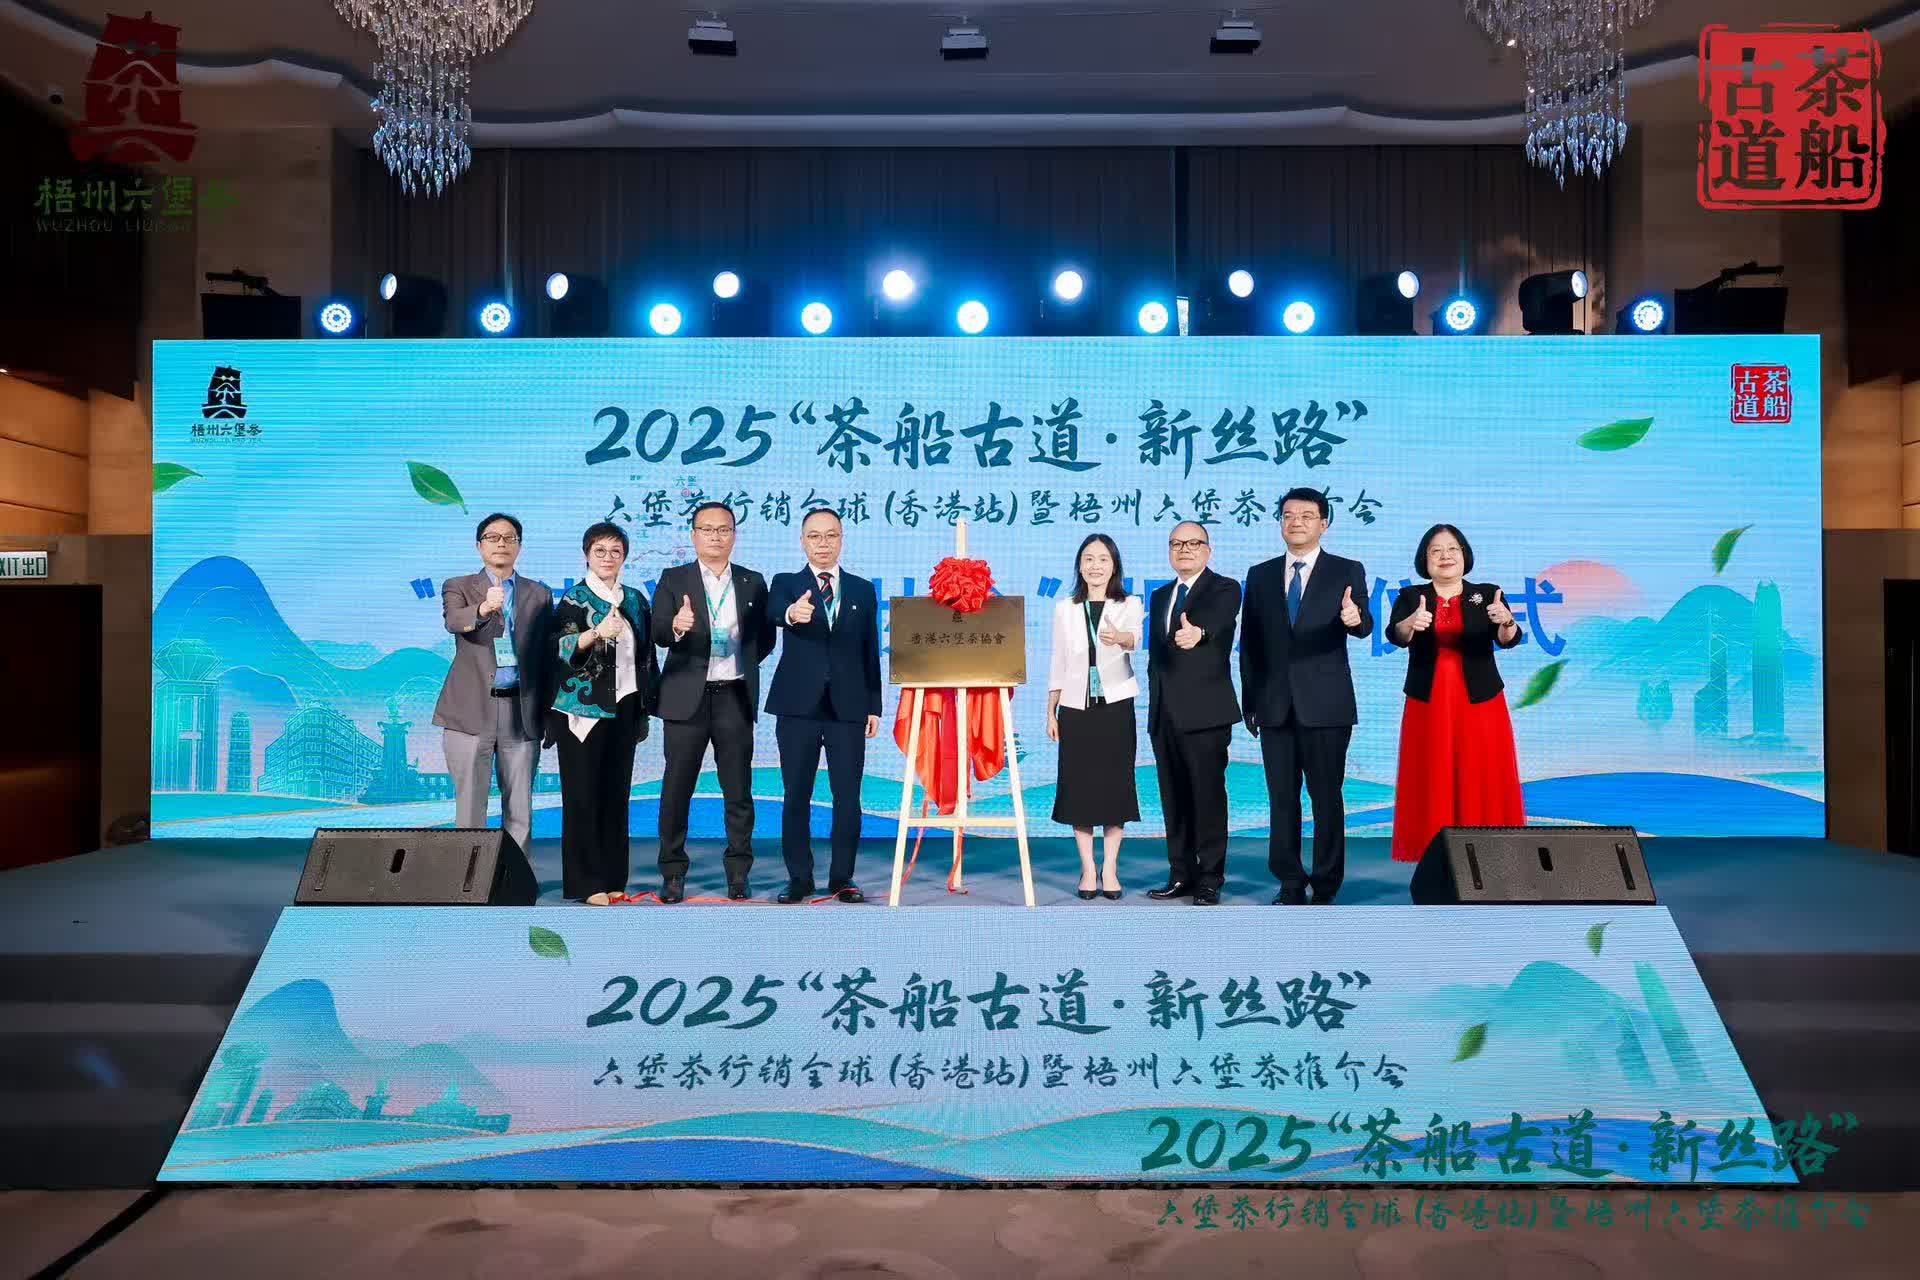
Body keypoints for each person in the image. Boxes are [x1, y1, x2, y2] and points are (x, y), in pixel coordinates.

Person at [1240, 487, 1373, 905]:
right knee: (1282, 799)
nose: (1295, 522)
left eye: (1306, 515)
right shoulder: (1260, 574)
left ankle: (1327, 882)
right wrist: (1250, 702)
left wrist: (1354, 617)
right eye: (1288, 515)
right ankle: (1290, 882)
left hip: (1326, 706)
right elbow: (1250, 643)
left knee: (1326, 797)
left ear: (1324, 524)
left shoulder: (1346, 570)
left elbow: (1364, 624)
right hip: (1274, 705)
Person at [650, 502, 775, 903]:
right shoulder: (674, 578)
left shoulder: (753, 581)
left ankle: (738, 872)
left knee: (738, 790)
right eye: (707, 529)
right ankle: (672, 872)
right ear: (694, 535)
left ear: (734, 535)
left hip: (734, 696)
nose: (715, 536)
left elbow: (764, 638)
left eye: (723, 529)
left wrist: (741, 661)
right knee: (677, 789)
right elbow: (657, 632)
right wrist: (676, 625)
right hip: (686, 698)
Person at [1387, 523, 1526, 862]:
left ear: (1465, 555)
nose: (1445, 556)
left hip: (1479, 700)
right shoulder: (1411, 596)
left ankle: (1489, 854)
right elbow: (1396, 635)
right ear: (1425, 560)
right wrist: (1410, 623)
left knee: (1482, 772)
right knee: (1431, 772)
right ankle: (1435, 855)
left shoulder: (1488, 593)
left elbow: (1508, 639)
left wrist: (1507, 621)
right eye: (1435, 550)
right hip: (1429, 701)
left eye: (1452, 549)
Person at [765, 509, 883, 904]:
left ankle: (842, 878)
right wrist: (791, 613)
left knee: (847, 797)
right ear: (802, 541)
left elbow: (870, 650)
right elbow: (773, 612)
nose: (823, 543)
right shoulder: (786, 583)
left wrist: (874, 705)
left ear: (841, 539)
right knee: (796, 794)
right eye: (814, 536)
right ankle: (799, 878)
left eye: (831, 535)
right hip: (798, 707)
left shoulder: (862, 589)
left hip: (848, 708)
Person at [548, 522, 654, 903]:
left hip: (626, 704)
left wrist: (646, 704)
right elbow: (558, 647)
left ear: (624, 557)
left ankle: (613, 877)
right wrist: (594, 634)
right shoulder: (573, 599)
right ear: (586, 555)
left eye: (615, 551)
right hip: (583, 709)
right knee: (582, 794)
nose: (608, 558)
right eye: (600, 551)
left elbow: (647, 653)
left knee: (616, 793)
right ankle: (586, 882)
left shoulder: (636, 600)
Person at [432, 513, 551, 854]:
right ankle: (468, 876)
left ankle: (515, 875)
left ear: (519, 546)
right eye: (492, 537)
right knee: (471, 806)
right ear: (479, 546)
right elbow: (454, 621)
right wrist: (484, 608)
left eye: (509, 538)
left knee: (520, 808)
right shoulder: (458, 585)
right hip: (470, 711)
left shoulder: (539, 593)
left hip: (521, 710)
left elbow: (545, 653)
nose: (501, 543)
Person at [1145, 521, 1242, 906]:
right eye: (1176, 543)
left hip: (1205, 714)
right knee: (1174, 798)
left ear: (1208, 550)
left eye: (1193, 543)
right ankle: (1180, 873)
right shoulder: (1160, 595)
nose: (1184, 549)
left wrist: (1198, 633)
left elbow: (1218, 621)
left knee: (1208, 797)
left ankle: (1210, 878)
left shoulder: (1225, 588)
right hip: (1164, 714)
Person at [1046, 533, 1144, 900]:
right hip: (1075, 708)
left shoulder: (1129, 603)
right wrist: (1051, 710)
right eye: (1088, 559)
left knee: (1115, 787)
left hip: (1115, 707)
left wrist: (1120, 638)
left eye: (1103, 559)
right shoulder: (1065, 608)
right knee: (1079, 788)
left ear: (1114, 565)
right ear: (1080, 565)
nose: (1095, 566)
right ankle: (1088, 869)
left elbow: (1135, 638)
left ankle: (1110, 868)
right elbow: (1058, 660)